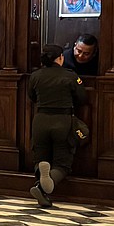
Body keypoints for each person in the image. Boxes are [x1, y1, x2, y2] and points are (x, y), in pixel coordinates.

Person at [29, 44, 88, 209]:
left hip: (40, 120)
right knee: (62, 163)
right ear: (60, 58)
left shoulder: (35, 75)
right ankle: (44, 185)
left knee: (40, 158)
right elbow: (82, 97)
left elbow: (31, 96)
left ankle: (42, 189)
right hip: (62, 121)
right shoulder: (70, 76)